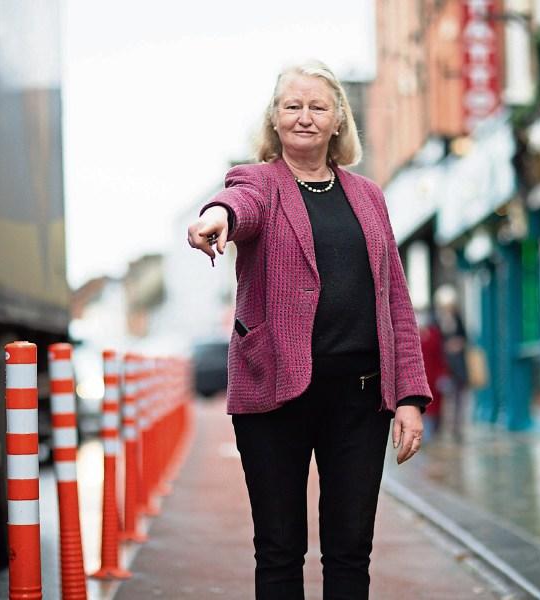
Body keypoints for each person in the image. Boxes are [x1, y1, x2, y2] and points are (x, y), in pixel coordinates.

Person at [186, 60, 432, 600]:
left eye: (318, 106)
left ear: (339, 119)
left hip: (359, 399)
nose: (304, 117)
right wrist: (216, 217)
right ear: (274, 118)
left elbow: (396, 301)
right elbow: (238, 206)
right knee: (278, 549)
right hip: (276, 393)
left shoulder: (369, 196)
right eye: (292, 106)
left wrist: (409, 396)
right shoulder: (257, 181)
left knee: (350, 552)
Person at [433, 285, 469, 441]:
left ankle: (457, 427)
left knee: (459, 397)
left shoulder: (458, 319)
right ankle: (441, 426)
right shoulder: (437, 320)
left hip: (458, 365)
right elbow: (435, 341)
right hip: (444, 365)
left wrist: (458, 343)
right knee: (444, 396)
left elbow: (465, 337)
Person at [416, 307, 447, 441]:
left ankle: (433, 433)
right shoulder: (413, 335)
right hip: (418, 380)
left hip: (434, 378)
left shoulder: (434, 334)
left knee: (435, 407)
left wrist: (443, 374)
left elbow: (441, 356)